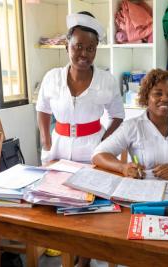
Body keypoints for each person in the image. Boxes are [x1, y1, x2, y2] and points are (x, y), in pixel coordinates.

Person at [36, 11, 125, 165]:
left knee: (91, 188)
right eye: (78, 46)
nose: (84, 54)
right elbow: (43, 108)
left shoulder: (106, 80)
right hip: (57, 149)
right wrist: (46, 141)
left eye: (90, 49)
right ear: (67, 46)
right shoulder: (52, 77)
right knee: (54, 188)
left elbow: (117, 115)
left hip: (93, 150)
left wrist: (104, 142)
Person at [92, 69, 168, 179]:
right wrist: (123, 167)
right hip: (145, 189)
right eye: (158, 94)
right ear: (146, 97)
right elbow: (98, 155)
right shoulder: (132, 126)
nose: (165, 99)